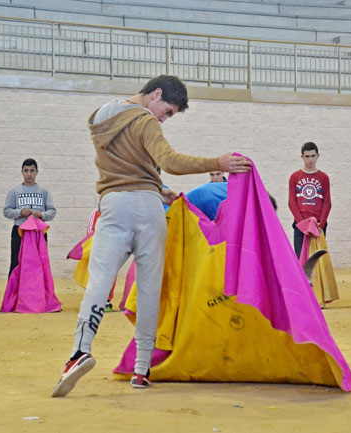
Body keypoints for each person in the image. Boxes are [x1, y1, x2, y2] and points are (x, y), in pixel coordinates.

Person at [51, 75, 251, 397]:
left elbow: (129, 168)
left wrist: (160, 188)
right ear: (155, 93)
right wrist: (217, 162)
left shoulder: (102, 116)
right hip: (148, 210)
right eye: (167, 111)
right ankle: (141, 370)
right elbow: (169, 161)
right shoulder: (145, 121)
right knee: (148, 288)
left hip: (114, 205)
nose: (164, 118)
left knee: (100, 281)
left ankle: (78, 351)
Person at [3, 159, 56, 277]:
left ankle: (38, 293)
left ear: (37, 172)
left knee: (39, 263)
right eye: (26, 171)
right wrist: (20, 212)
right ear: (22, 172)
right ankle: (14, 294)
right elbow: (6, 211)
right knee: (16, 263)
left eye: (32, 171)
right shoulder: (14, 191)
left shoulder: (44, 192)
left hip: (38, 233)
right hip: (19, 231)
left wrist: (42, 215)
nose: (29, 174)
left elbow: (52, 211)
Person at [288, 142, 331, 258]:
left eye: (313, 156)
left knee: (317, 260)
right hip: (301, 224)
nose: (310, 160)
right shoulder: (295, 177)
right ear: (302, 157)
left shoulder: (324, 177)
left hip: (318, 224)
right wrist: (301, 223)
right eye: (307, 156)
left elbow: (327, 202)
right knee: (300, 259)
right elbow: (292, 202)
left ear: (318, 156)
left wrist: (321, 225)